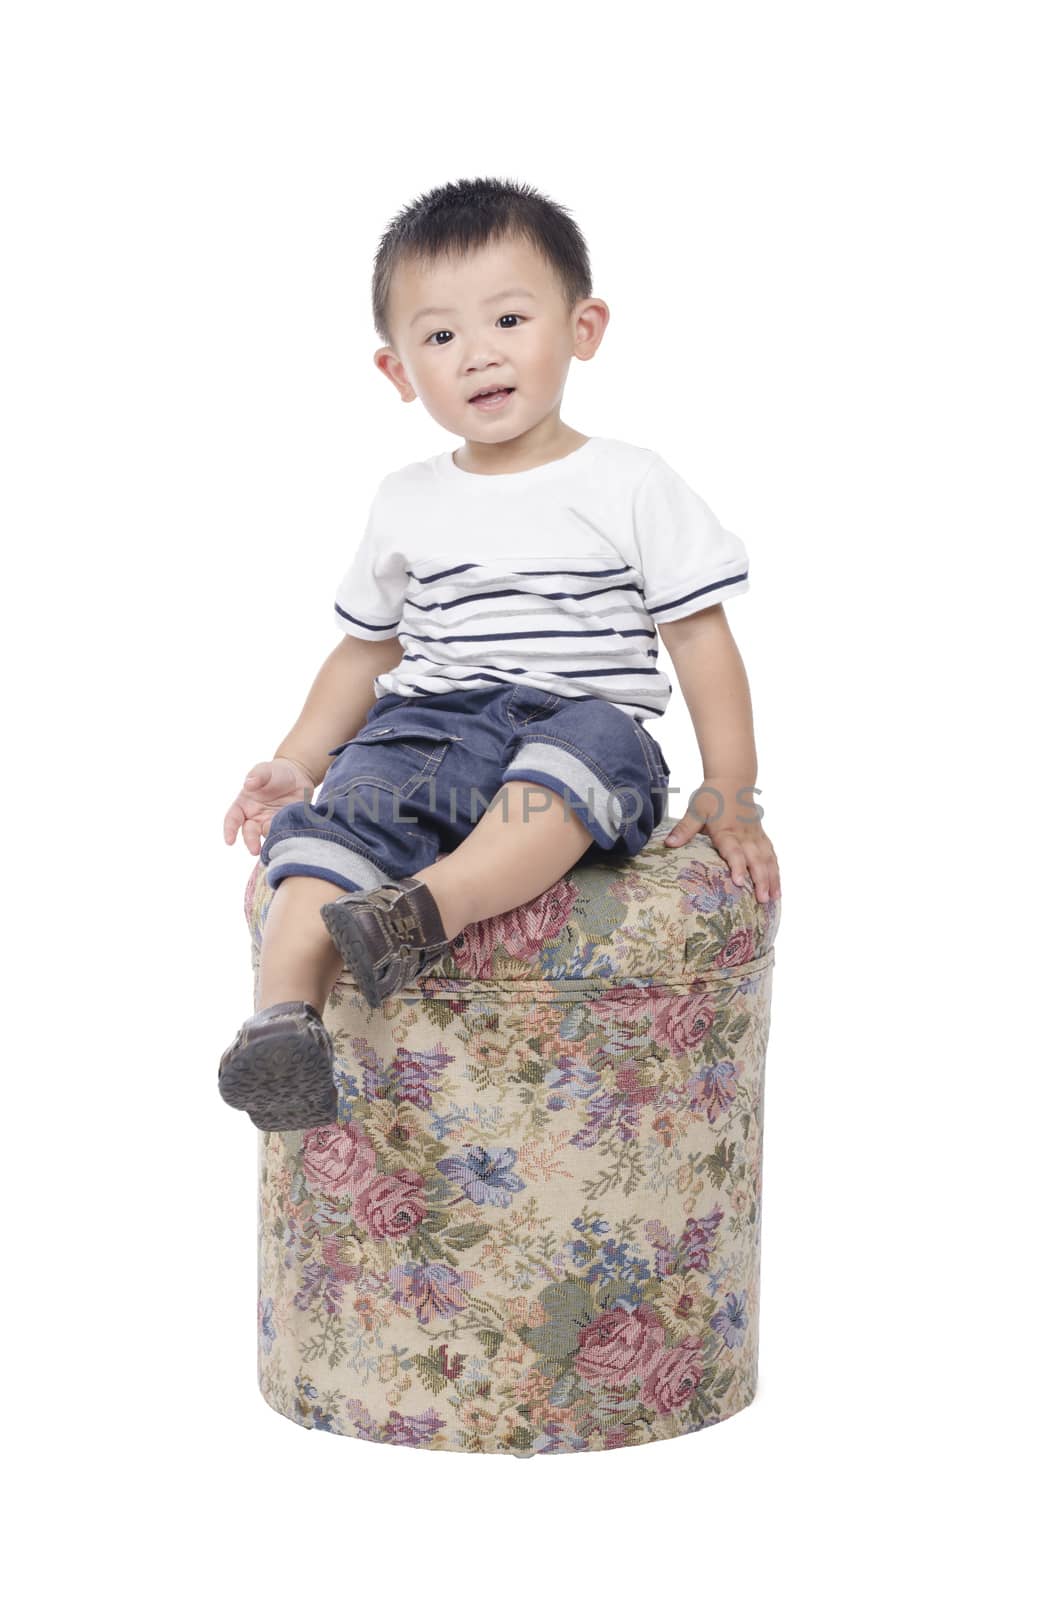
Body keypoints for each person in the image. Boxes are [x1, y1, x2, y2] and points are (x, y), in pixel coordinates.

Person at [219, 176, 781, 1132]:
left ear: (582, 327)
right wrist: (296, 761)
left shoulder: (630, 480)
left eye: (509, 319)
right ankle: (281, 1026)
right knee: (324, 834)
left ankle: (426, 910)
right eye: (439, 337)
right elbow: (363, 654)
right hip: (425, 727)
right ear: (399, 372)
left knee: (569, 780)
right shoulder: (405, 497)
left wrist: (731, 793)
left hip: (576, 721)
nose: (478, 354)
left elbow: (698, 638)